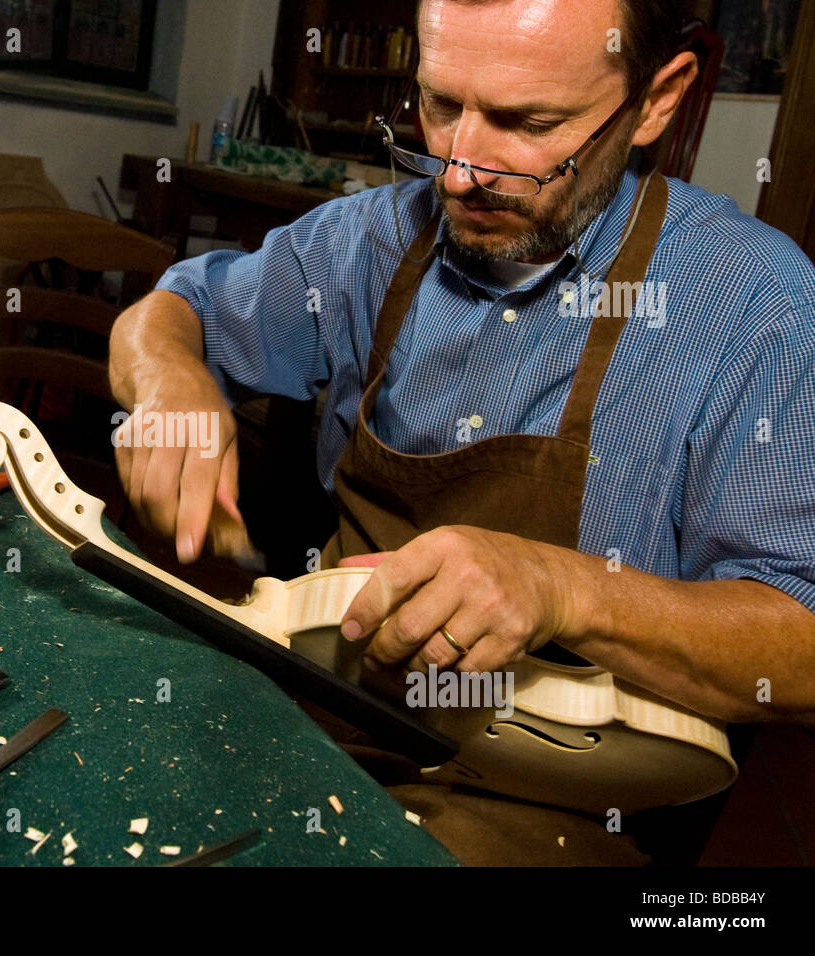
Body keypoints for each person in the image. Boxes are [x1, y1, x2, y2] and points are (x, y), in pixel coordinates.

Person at [107, 0, 815, 864]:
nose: (456, 174)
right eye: (441, 107)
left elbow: (802, 650)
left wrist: (561, 587)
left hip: (562, 796)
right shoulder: (375, 238)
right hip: (338, 710)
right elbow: (171, 311)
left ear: (657, 100)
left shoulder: (756, 303)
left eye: (528, 123)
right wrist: (169, 377)